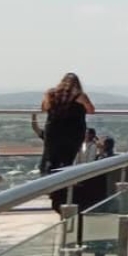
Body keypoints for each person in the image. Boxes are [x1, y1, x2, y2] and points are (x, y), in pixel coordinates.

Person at [40, 73, 95, 210]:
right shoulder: (80, 96)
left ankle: (52, 189)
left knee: (51, 160)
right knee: (67, 161)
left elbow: (44, 108)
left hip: (53, 131)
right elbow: (91, 110)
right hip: (72, 133)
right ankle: (62, 191)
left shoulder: (51, 94)